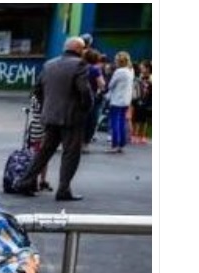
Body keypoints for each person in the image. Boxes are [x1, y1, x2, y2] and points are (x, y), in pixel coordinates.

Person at [10, 37, 93, 201]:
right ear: (79, 50)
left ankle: (24, 182)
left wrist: (44, 109)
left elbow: (37, 90)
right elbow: (84, 92)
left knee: (44, 152)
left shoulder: (49, 64)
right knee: (70, 154)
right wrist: (85, 109)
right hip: (71, 118)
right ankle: (63, 190)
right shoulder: (80, 65)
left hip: (50, 117)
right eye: (83, 49)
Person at [105, 51, 134, 154]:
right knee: (121, 122)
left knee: (115, 122)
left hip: (117, 99)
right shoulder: (130, 71)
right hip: (126, 99)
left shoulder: (119, 71)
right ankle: (121, 144)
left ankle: (115, 144)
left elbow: (110, 85)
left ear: (119, 61)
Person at [82, 47, 106, 147]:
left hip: (79, 96)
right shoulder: (95, 69)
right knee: (91, 119)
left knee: (81, 119)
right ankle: (85, 142)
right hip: (92, 96)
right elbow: (102, 84)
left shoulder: (80, 67)